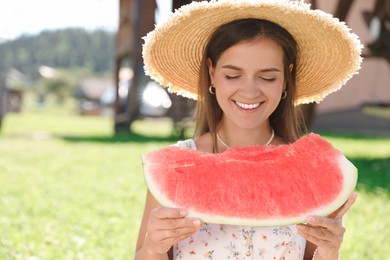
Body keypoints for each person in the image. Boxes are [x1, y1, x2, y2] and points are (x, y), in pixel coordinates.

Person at [135, 0, 362, 259]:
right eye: (233, 75)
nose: (250, 92)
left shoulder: (311, 173)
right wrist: (153, 246)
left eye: (268, 77)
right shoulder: (176, 168)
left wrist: (330, 251)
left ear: (286, 77)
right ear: (211, 72)